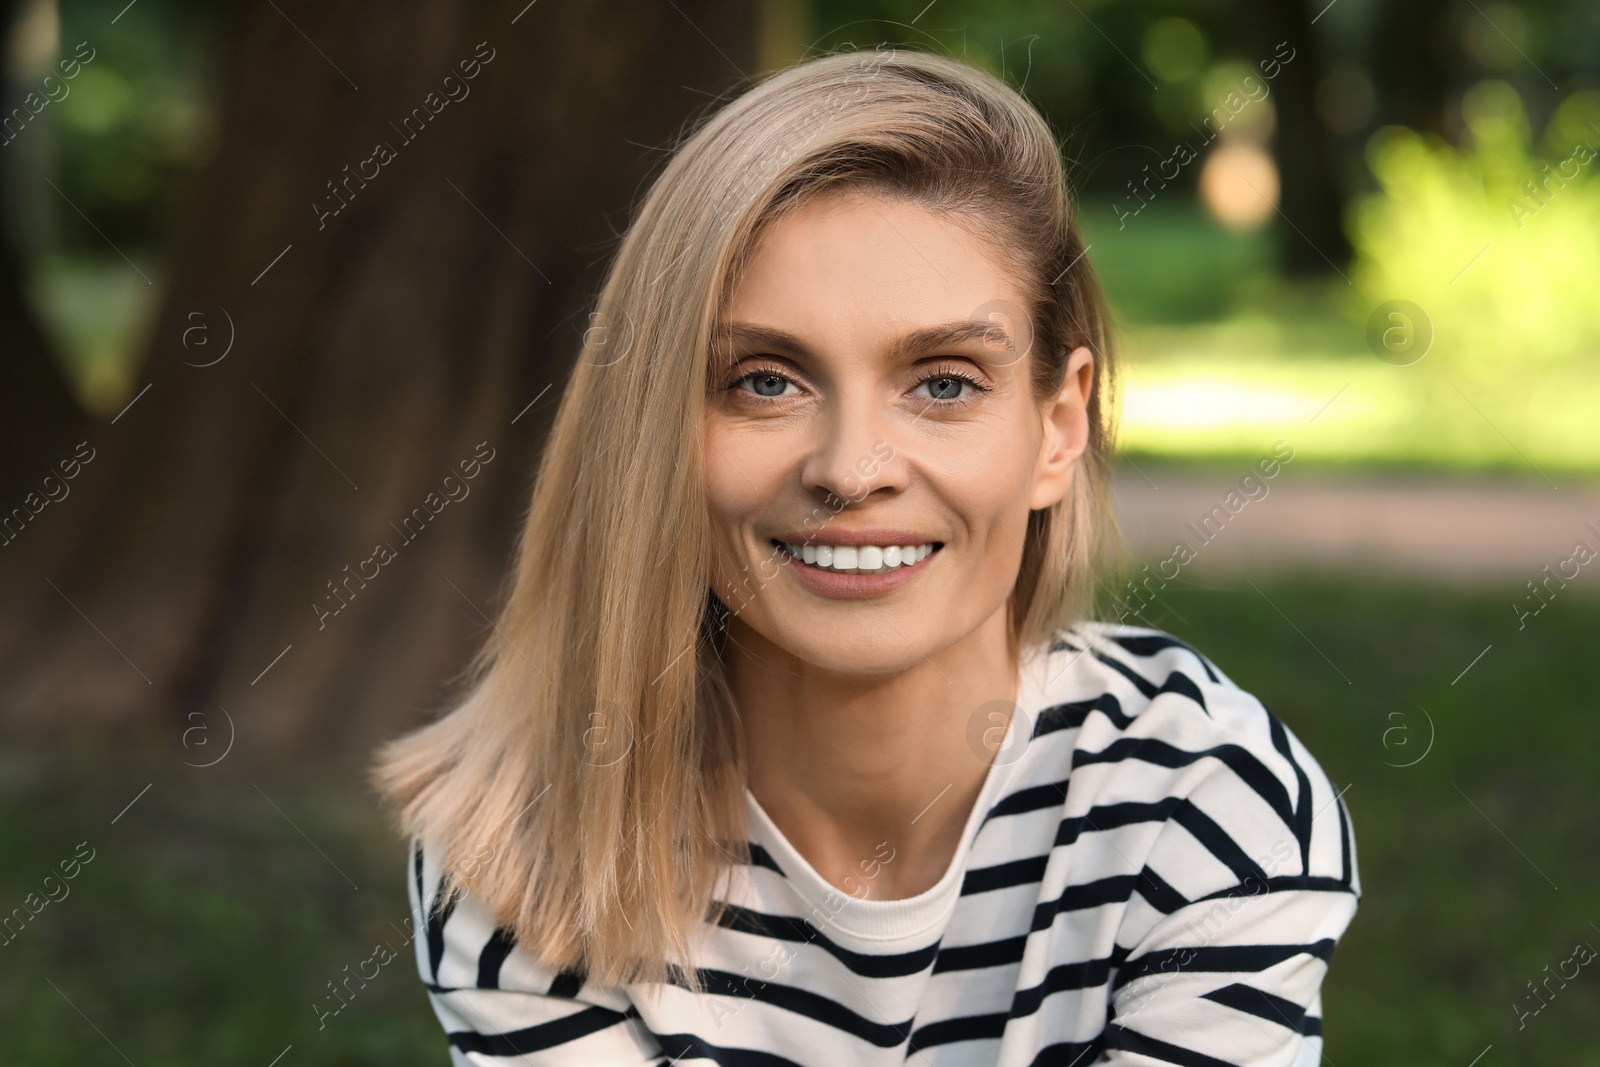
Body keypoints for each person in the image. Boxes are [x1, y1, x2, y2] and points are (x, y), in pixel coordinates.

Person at [369, 46, 1359, 1066]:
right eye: (762, 381)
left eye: (942, 382)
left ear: (1057, 428)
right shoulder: (523, 838)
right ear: (652, 429)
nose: (850, 468)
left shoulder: (1201, 806)